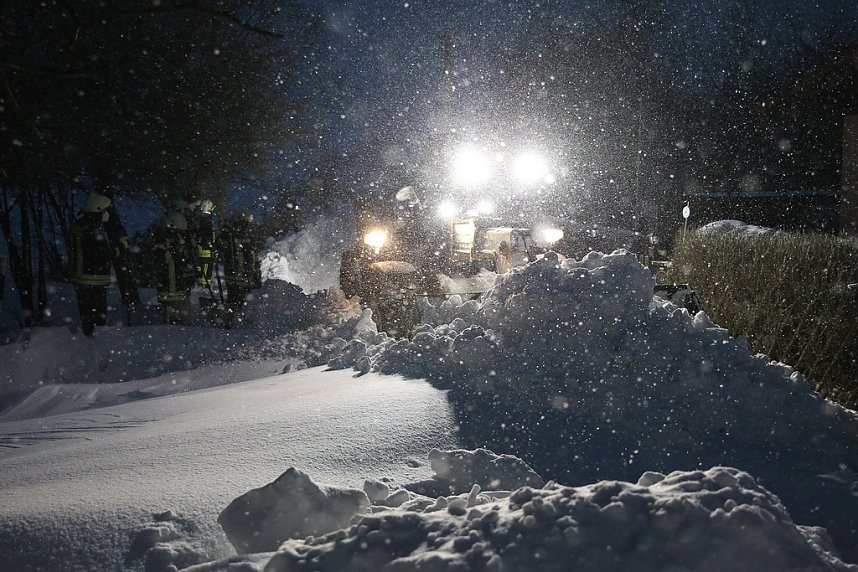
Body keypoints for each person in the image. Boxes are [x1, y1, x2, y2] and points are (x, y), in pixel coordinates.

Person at [68, 192, 114, 336]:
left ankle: (90, 345)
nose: (107, 213)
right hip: (93, 280)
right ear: (98, 209)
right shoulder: (92, 228)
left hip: (82, 280)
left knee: (87, 318)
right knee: (97, 322)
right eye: (105, 210)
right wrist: (119, 250)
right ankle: (95, 349)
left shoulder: (80, 225)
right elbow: (101, 254)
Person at [218, 210, 261, 327]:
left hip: (234, 278)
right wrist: (257, 276)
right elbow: (254, 258)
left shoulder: (230, 233)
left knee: (234, 302)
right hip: (247, 278)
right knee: (244, 304)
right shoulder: (250, 234)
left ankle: (231, 322)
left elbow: (220, 247)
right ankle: (241, 323)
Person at [153, 211, 196, 325]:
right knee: (179, 322)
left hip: (177, 288)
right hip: (172, 289)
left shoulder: (175, 242)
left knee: (179, 320)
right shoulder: (166, 244)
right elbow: (169, 264)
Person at [104, 199, 139, 325]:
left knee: (127, 284)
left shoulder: (111, 224)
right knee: (127, 284)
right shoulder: (112, 224)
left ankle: (130, 305)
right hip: (121, 262)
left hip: (122, 261)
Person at [189, 198, 218, 292]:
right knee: (205, 274)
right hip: (206, 253)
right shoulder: (206, 220)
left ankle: (204, 287)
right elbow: (206, 236)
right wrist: (211, 247)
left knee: (203, 272)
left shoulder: (201, 219)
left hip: (204, 252)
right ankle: (204, 289)